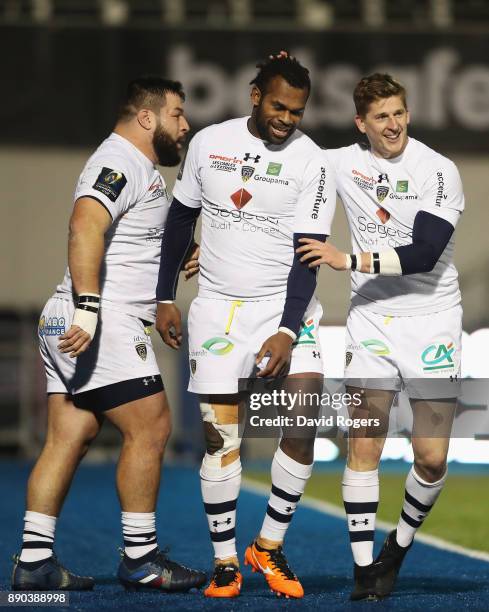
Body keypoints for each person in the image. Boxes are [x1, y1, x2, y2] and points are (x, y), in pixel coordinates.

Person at [11, 76, 206, 593]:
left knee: (69, 436)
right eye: (177, 114)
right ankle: (141, 559)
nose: (185, 125)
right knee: (153, 427)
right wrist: (91, 310)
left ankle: (34, 562)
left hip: (68, 316)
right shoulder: (119, 160)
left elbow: (134, 240)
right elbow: (84, 225)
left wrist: (182, 256)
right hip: (99, 319)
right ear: (147, 118)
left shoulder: (139, 168)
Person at [155, 55, 336, 599]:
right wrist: (165, 295)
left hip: (285, 310)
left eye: (298, 111)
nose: (287, 118)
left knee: (302, 424)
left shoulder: (312, 162)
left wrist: (287, 330)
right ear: (255, 95)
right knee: (222, 440)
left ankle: (270, 546)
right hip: (218, 311)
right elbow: (182, 216)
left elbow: (309, 253)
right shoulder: (210, 143)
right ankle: (226, 562)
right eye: (279, 106)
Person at [297, 73, 464, 600]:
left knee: (432, 458)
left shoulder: (439, 170)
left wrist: (348, 260)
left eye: (398, 113)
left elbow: (425, 250)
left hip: (433, 318)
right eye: (380, 117)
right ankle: (366, 570)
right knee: (363, 446)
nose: (392, 125)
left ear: (408, 114)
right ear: (360, 125)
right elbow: (280, 163)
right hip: (370, 320)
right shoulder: (340, 162)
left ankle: (400, 544)